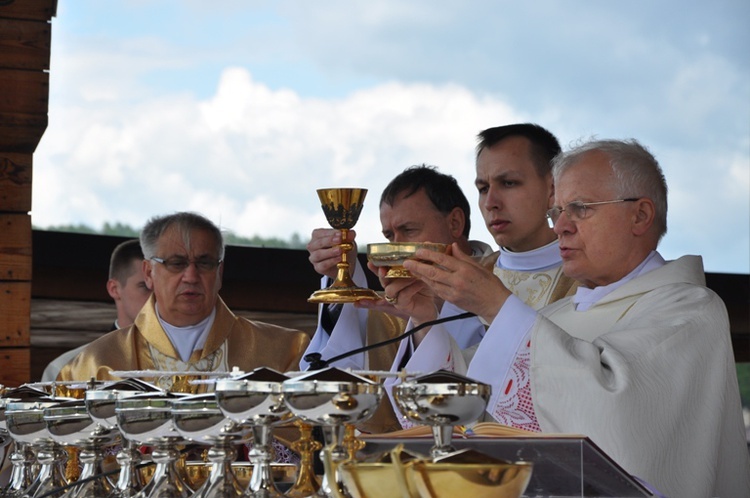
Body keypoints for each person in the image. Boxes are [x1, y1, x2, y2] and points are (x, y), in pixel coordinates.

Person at [400, 139, 750, 497]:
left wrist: (497, 307)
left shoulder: (690, 311)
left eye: (580, 208)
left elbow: (613, 414)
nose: (559, 227)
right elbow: (469, 406)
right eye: (557, 212)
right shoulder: (555, 318)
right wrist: (425, 318)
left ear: (641, 215)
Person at [381, 124, 577, 430]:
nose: (490, 202)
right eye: (483, 188)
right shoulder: (466, 274)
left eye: (509, 183)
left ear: (553, 189)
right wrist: (423, 321)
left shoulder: (586, 278)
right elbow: (447, 393)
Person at [58, 212, 310, 388]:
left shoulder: (282, 352)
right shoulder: (95, 365)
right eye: (176, 264)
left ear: (219, 273)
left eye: (204, 263)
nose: (191, 276)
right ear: (148, 273)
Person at [41, 239, 152, 382]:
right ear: (114, 289)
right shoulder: (68, 370)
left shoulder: (182, 364)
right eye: (145, 287)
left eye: (160, 287)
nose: (156, 297)